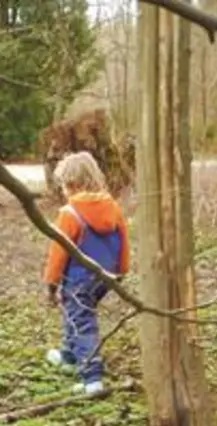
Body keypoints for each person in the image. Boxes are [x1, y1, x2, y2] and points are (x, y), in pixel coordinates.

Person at [41, 152, 129, 395]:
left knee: (82, 321)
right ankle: (69, 357)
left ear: (71, 184)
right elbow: (124, 241)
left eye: (64, 187)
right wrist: (121, 271)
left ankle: (92, 379)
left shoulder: (70, 214)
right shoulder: (113, 207)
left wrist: (51, 284)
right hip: (106, 276)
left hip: (80, 279)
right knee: (77, 312)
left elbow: (58, 254)